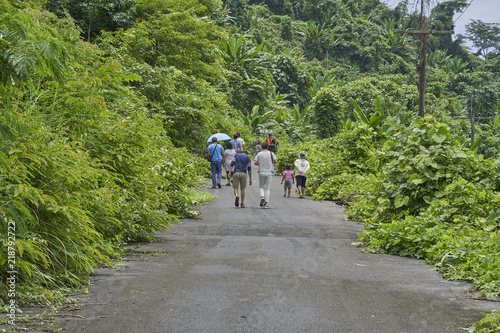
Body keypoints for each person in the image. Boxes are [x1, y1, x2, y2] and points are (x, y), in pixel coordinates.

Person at [254, 141, 277, 208]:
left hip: (261, 172)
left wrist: (260, 163)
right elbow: (275, 161)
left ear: (261, 147)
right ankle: (266, 203)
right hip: (269, 172)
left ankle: (262, 196)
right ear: (267, 147)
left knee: (261, 186)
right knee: (267, 187)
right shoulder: (271, 153)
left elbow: (255, 163)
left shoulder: (259, 154)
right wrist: (270, 163)